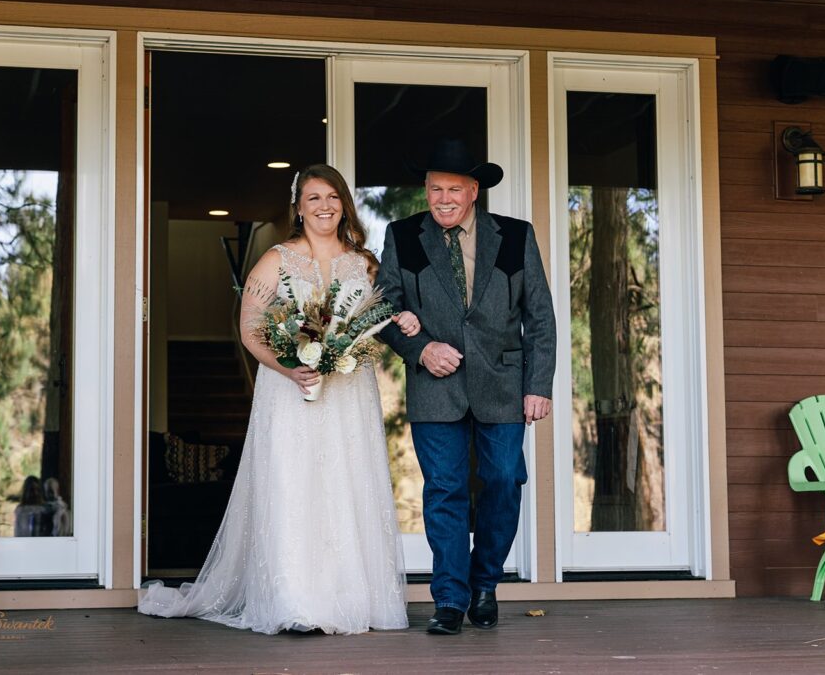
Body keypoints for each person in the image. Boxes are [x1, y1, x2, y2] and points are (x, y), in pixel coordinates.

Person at [137, 163, 421, 635]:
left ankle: (354, 598)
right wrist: (289, 367)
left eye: (332, 196)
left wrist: (405, 320)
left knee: (347, 484)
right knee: (295, 485)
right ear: (298, 207)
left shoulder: (367, 263)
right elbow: (250, 328)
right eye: (313, 198)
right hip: (291, 391)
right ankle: (294, 599)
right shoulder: (276, 260)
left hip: (350, 394)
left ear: (344, 203)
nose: (324, 206)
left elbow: (385, 315)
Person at [375, 138, 556, 635]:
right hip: (435, 386)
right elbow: (383, 309)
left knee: (503, 480)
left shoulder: (516, 236)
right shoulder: (403, 235)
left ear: (474, 190)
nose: (444, 198)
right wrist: (420, 349)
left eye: (454, 188)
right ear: (426, 191)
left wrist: (538, 384)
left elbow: (539, 316)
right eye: (436, 189)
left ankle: (485, 583)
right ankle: (451, 599)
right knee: (445, 489)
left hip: (504, 382)